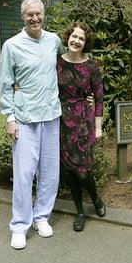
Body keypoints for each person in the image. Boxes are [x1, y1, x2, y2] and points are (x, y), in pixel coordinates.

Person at [0, 0, 65, 250]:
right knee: (24, 174)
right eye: (29, 15)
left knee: (50, 172)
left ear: (43, 15)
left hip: (51, 115)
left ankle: (42, 217)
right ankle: (19, 226)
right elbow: (6, 84)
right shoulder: (12, 46)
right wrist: (10, 117)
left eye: (38, 14)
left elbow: (66, 67)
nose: (34, 18)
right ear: (23, 17)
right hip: (25, 118)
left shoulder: (54, 40)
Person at [57, 22, 106, 232]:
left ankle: (95, 198)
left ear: (86, 43)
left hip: (84, 123)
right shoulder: (56, 63)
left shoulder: (92, 65)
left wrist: (98, 127)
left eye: (81, 38)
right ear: (68, 37)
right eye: (74, 36)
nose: (76, 41)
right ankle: (79, 212)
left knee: (83, 172)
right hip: (61, 122)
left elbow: (100, 98)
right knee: (69, 172)